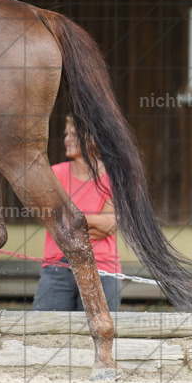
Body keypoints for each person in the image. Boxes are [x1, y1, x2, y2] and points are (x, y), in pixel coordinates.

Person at [33, 116, 123, 311]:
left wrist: (69, 219)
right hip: (57, 265)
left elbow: (109, 224)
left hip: (103, 268)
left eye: (74, 135)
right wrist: (91, 221)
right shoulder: (54, 174)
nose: (67, 139)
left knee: (97, 335)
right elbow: (50, 219)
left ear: (94, 138)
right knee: (43, 333)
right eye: (67, 134)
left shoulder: (114, 178)